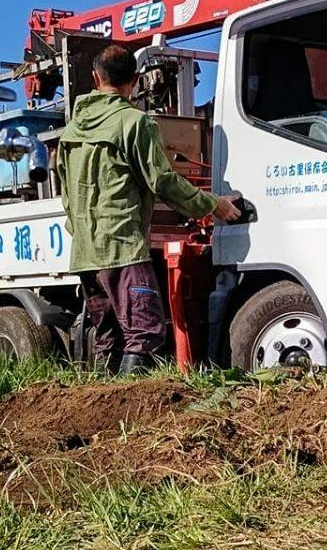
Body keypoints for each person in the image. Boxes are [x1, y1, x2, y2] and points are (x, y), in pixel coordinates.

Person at [58, 44, 242, 373]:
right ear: (135, 80)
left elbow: (67, 194)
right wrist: (213, 204)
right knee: (145, 332)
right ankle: (130, 403)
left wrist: (83, 232)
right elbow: (163, 182)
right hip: (123, 247)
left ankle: (103, 401)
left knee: (109, 338)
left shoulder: (71, 131)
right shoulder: (135, 123)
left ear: (95, 78)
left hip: (85, 253)